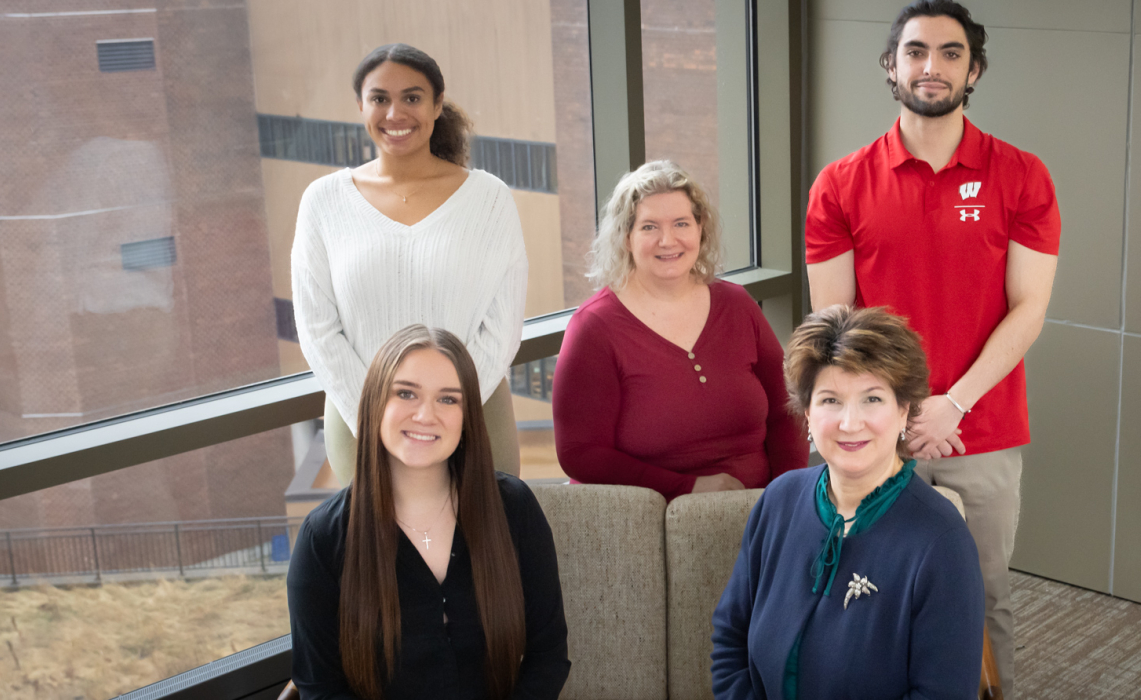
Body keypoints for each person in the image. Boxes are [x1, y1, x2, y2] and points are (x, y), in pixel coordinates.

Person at [803, 0, 1059, 689]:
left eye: (951, 53)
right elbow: (835, 324)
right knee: (863, 589)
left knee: (984, 595)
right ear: (891, 66)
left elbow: (1029, 308)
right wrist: (902, 412)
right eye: (916, 51)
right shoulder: (840, 184)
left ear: (974, 70)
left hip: (984, 428)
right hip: (873, 431)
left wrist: (954, 404)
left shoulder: (1021, 176)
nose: (932, 66)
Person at [711, 305, 985, 700]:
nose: (849, 423)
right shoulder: (779, 501)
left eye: (872, 399)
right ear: (807, 412)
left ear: (904, 409)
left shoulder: (942, 542)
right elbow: (730, 639)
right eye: (830, 400)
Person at [286, 324, 570, 699]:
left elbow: (548, 654)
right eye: (406, 393)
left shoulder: (513, 508)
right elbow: (320, 688)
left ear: (467, 416)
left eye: (448, 399)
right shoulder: (322, 540)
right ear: (375, 403)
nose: (425, 415)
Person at [293, 43, 527, 484]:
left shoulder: (489, 198)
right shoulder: (323, 201)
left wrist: (447, 410)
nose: (395, 113)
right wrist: (383, 420)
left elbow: (502, 326)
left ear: (437, 105)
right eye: (380, 98)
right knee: (378, 550)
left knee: (485, 549)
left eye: (412, 98)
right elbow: (317, 328)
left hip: (474, 411)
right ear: (360, 105)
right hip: (358, 414)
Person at [552, 161, 807, 500]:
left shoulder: (737, 304)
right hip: (648, 517)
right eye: (649, 227)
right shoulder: (594, 328)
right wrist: (686, 488)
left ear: (700, 229)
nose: (667, 240)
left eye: (681, 223)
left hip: (757, 507)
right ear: (626, 237)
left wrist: (788, 498)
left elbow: (787, 410)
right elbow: (580, 453)